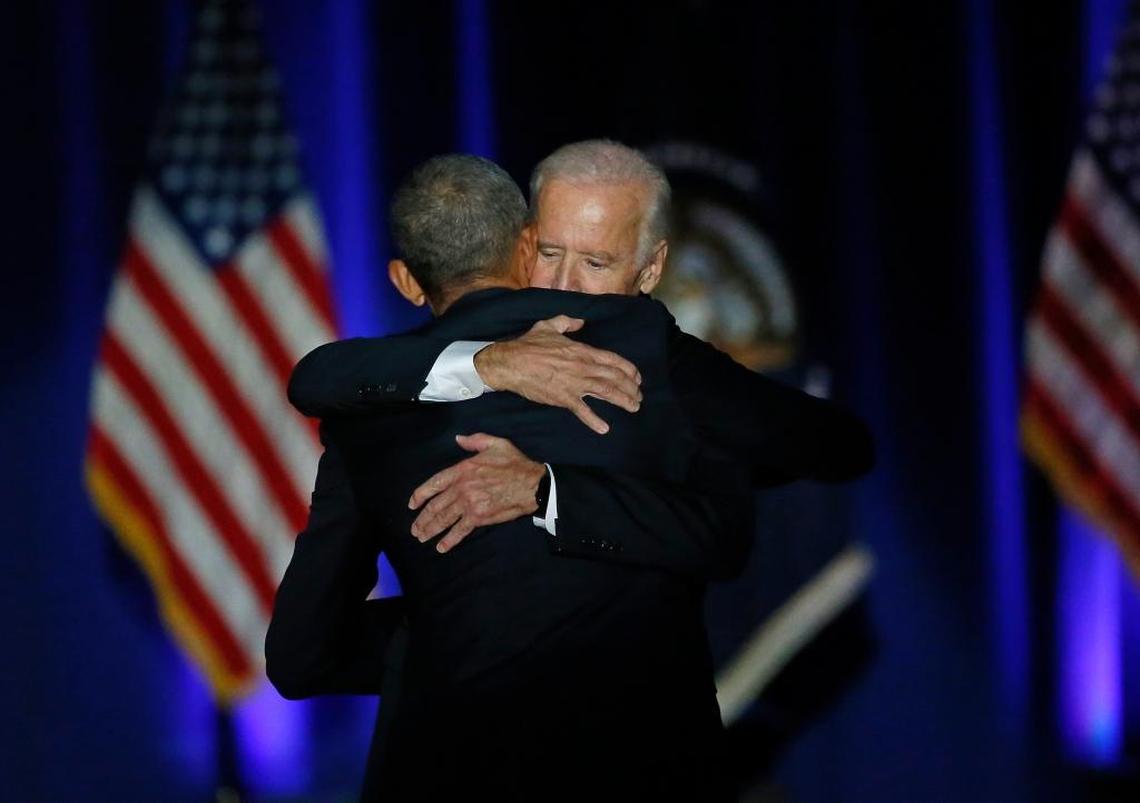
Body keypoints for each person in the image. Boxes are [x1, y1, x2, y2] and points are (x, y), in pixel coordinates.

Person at [267, 153, 756, 802]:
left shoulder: (368, 417)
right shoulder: (652, 356)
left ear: (405, 282)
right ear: (528, 247)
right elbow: (722, 534)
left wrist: (454, 627)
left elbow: (302, 653)